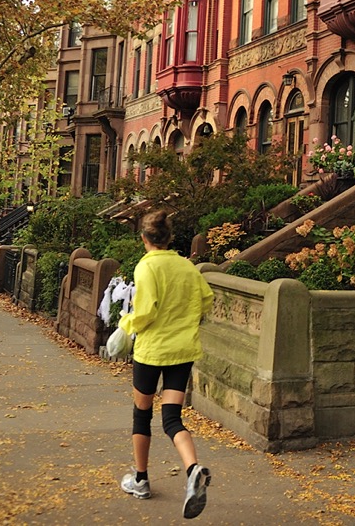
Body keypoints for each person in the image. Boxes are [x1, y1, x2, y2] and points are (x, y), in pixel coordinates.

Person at [118, 210, 214, 519]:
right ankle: (192, 469)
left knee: (141, 413)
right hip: (182, 351)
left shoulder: (146, 268)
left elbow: (145, 312)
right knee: (172, 418)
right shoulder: (187, 267)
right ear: (169, 238)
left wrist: (125, 324)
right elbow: (206, 300)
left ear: (144, 239)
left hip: (151, 352)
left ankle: (142, 479)